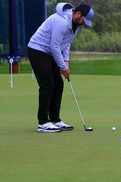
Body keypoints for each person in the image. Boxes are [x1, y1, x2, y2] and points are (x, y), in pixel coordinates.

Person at [27, 3, 94, 133]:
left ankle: (55, 120)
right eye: (83, 20)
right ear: (78, 14)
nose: (83, 23)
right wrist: (63, 68)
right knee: (48, 83)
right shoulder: (61, 22)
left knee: (58, 83)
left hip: (48, 52)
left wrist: (66, 61)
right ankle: (43, 123)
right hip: (37, 49)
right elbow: (55, 46)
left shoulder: (75, 26)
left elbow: (66, 44)